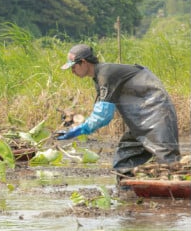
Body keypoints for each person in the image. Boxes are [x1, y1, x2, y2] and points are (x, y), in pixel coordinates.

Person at [56, 44, 181, 175]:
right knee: (123, 163)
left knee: (168, 161)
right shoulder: (100, 76)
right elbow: (101, 107)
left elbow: (103, 116)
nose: (72, 71)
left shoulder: (105, 74)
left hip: (157, 113)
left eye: (74, 67)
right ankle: (126, 191)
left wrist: (79, 130)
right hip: (140, 119)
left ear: (83, 62)